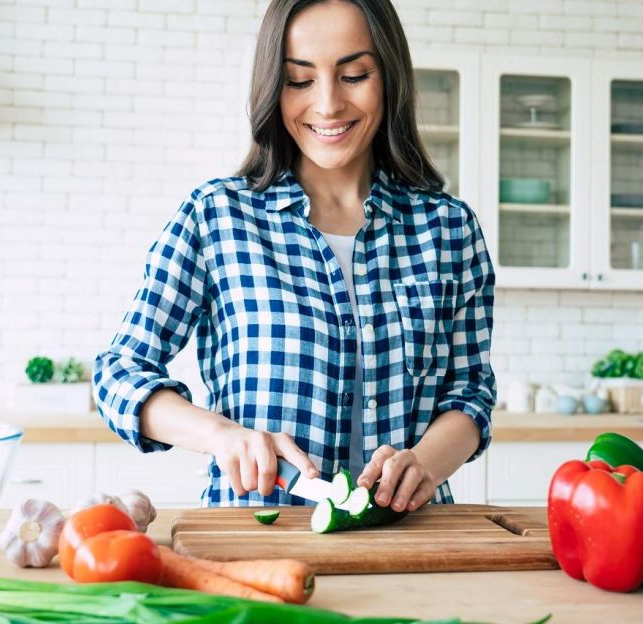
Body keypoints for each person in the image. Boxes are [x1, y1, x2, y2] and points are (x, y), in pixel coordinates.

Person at [94, 0, 496, 511]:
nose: (327, 104)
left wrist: (428, 462)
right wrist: (223, 436)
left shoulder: (449, 228)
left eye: (353, 74)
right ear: (271, 89)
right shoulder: (216, 216)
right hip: (260, 538)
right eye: (300, 81)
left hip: (414, 540)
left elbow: (471, 391)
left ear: (389, 77)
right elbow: (119, 373)